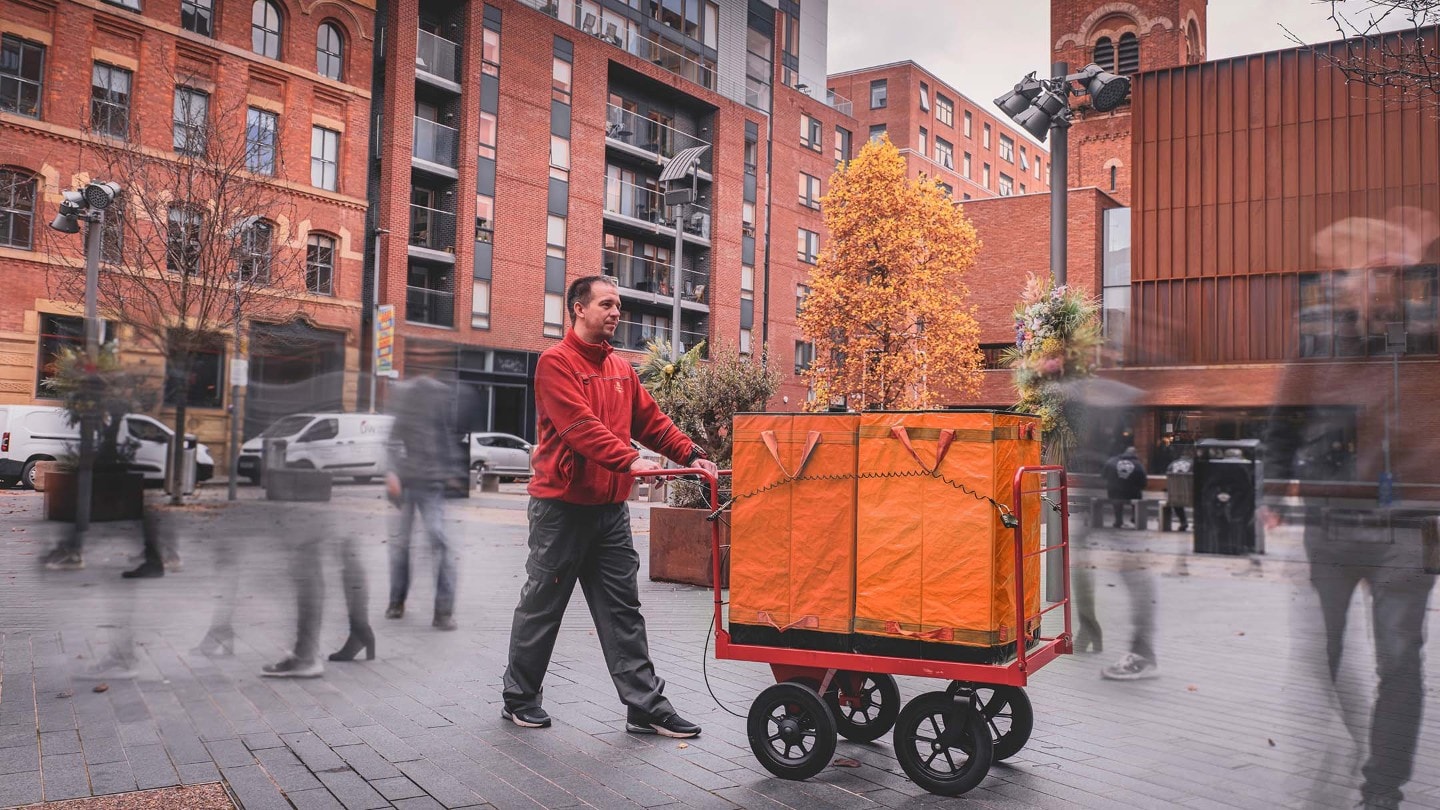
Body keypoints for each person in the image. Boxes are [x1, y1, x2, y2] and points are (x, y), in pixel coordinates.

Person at [1263, 210, 1438, 810]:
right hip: (1331, 522)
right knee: (1326, 653)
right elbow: (1284, 419)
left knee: (1399, 659)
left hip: (1413, 527)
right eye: (1359, 270)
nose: (1371, 280)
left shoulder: (1431, 333)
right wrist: (1271, 489)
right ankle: (1357, 742)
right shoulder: (1319, 337)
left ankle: (1381, 788)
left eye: (1387, 268)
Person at [501, 275, 716, 737]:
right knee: (542, 606)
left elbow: (652, 422)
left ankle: (644, 707)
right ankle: (519, 698)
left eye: (618, 305)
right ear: (578, 309)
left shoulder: (621, 368)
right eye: (605, 304)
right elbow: (579, 426)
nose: (615, 312)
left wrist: (692, 455)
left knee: (623, 610)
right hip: (560, 509)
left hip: (610, 511)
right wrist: (630, 459)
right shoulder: (555, 363)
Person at [385, 369, 466, 631]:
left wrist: (451, 473)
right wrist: (394, 473)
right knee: (401, 545)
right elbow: (392, 444)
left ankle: (442, 612)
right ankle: (396, 601)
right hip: (407, 484)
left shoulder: (438, 413)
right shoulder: (406, 411)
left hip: (431, 484)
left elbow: (445, 442)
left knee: (439, 542)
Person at [1100, 446, 1147, 528]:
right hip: (1131, 493)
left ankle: (1118, 520)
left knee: (1115, 495)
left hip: (1114, 492)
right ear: (1135, 454)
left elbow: (1103, 476)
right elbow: (1143, 482)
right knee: (1138, 494)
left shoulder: (1112, 461)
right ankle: (1135, 517)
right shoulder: (1138, 464)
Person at [1162, 448, 1193, 532]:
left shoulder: (1172, 464)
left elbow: (1167, 474)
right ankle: (1196, 523)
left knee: (1176, 499)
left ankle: (1183, 522)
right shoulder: (1194, 464)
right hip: (1192, 497)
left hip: (1175, 497)